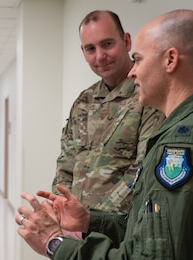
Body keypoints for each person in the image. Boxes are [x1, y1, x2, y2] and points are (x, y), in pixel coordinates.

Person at [16, 9, 193, 260]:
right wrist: (86, 220)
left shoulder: (184, 142)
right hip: (103, 243)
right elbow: (69, 159)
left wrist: (54, 243)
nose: (133, 70)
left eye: (138, 58)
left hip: (118, 258)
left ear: (170, 59)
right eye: (90, 48)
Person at [53, 10, 164, 215]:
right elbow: (66, 165)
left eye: (107, 44)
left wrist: (92, 218)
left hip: (120, 229)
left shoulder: (148, 96)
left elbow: (144, 169)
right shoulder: (83, 101)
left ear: (126, 41)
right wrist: (61, 210)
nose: (100, 56)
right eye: (90, 49)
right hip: (77, 228)